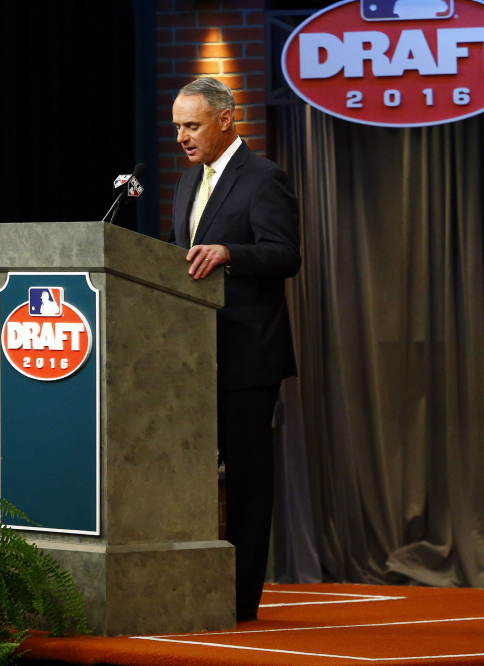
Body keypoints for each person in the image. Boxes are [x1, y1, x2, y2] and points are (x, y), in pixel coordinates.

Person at [167, 76, 301, 622]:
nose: (181, 136)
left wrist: (230, 252)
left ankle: (241, 599)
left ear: (225, 120)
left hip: (247, 355)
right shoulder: (186, 182)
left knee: (247, 482)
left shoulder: (264, 178)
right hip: (191, 355)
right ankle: (192, 585)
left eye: (191, 125)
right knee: (188, 475)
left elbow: (285, 254)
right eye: (177, 126)